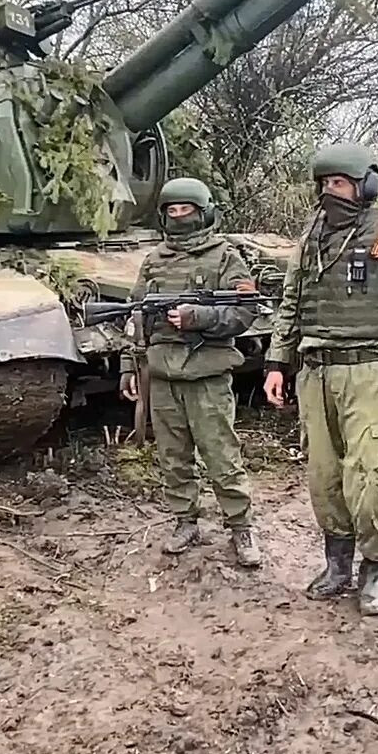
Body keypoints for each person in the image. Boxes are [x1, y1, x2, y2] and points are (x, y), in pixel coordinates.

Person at [262, 143, 378, 615]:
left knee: (368, 477)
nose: (329, 193)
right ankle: (337, 564)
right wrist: (277, 363)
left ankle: (373, 570)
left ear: (365, 186)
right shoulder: (310, 240)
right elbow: (290, 305)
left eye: (339, 184)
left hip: (366, 372)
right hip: (315, 371)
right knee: (323, 476)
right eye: (323, 185)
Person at [119, 177, 263, 567]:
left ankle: (240, 527)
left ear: (204, 213)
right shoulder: (153, 261)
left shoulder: (224, 258)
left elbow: (245, 310)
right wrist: (128, 367)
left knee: (221, 456)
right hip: (164, 376)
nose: (179, 217)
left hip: (207, 377)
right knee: (173, 458)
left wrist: (197, 318)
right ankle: (186, 521)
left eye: (187, 210)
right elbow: (135, 319)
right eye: (172, 211)